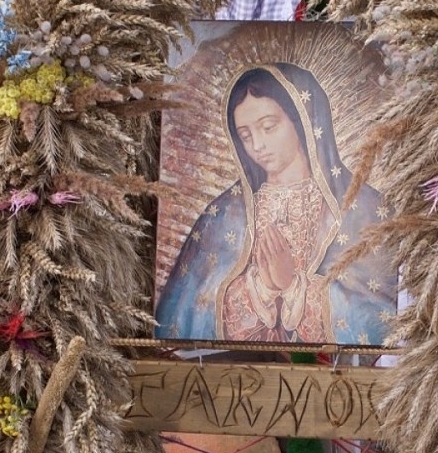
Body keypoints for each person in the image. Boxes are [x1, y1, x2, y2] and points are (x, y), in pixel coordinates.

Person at [155, 63, 397, 345]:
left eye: (268, 127)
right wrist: (262, 289)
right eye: (245, 135)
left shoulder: (365, 210)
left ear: (303, 121)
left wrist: (293, 286)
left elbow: (385, 316)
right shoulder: (224, 216)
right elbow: (185, 315)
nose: (257, 144)